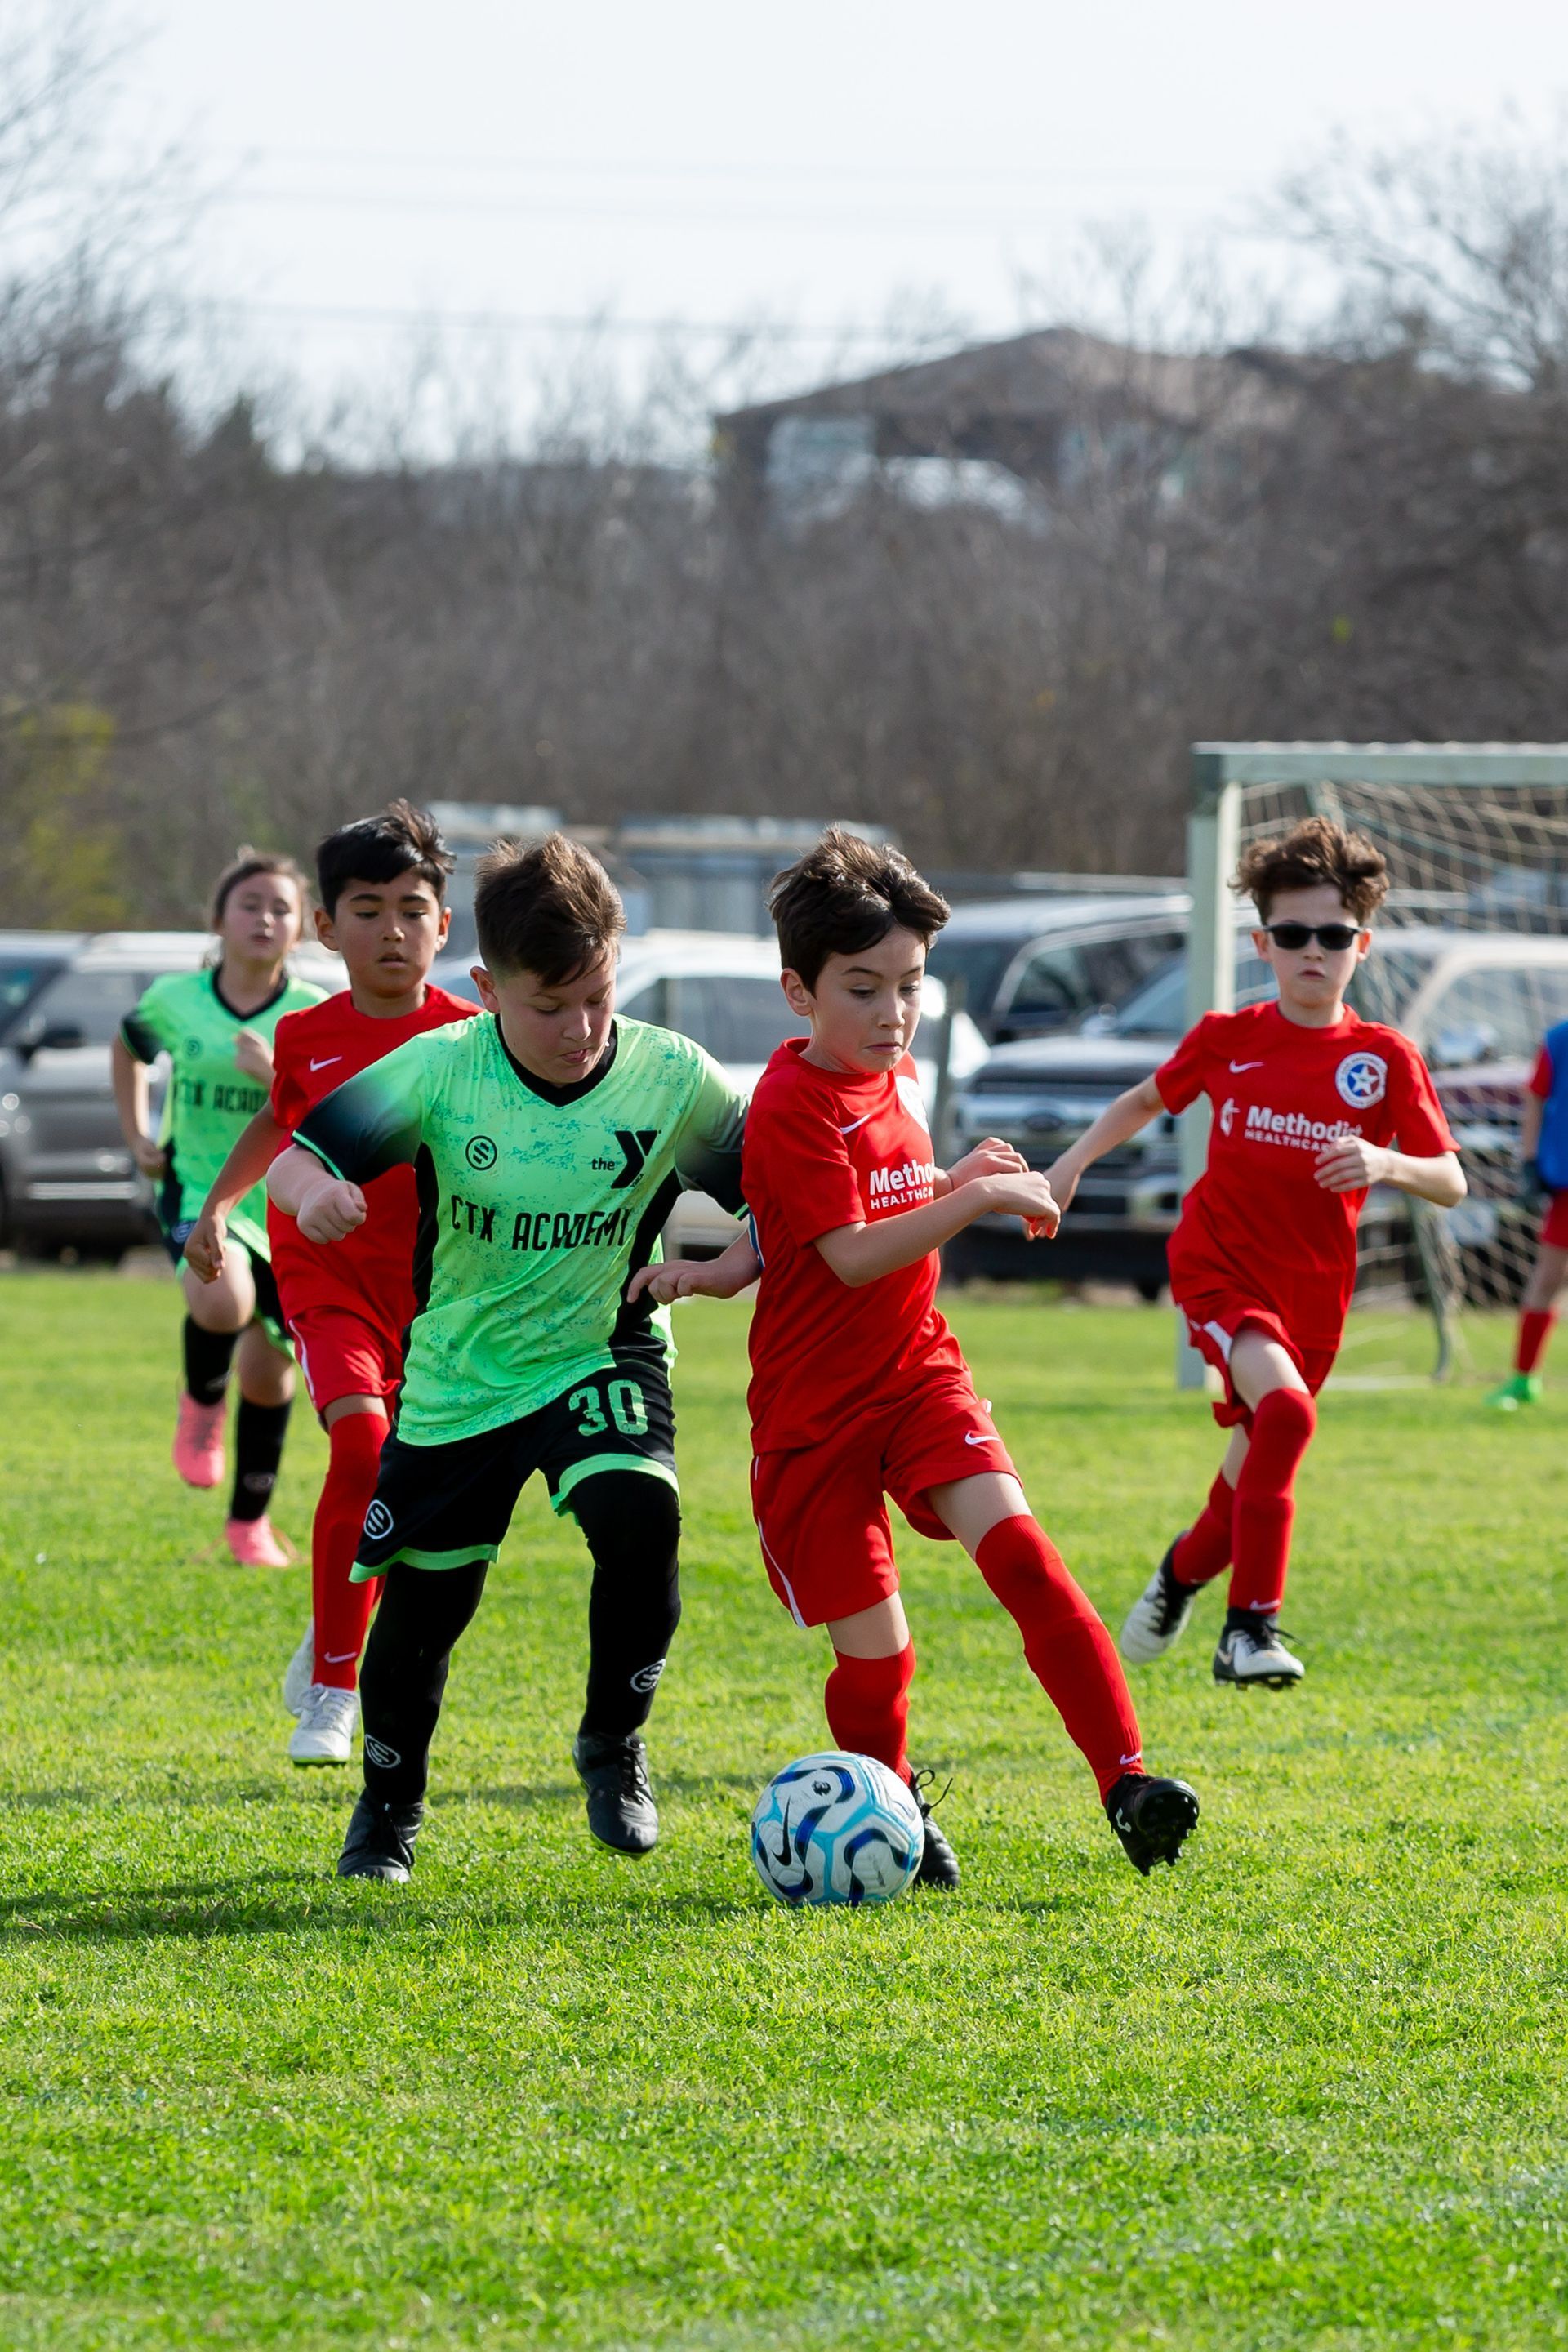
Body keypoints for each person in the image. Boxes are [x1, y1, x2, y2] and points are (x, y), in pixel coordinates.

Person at [635, 829, 1199, 1886]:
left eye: (910, 986)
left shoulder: (881, 1078)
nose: (893, 1014)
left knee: (1025, 1558)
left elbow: (859, 1206)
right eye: (864, 988)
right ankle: (887, 1806)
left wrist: (949, 1175)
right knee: (880, 1652)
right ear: (799, 993)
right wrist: (976, 1197)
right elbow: (846, 1253)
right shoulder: (792, 1106)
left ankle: (1128, 1782)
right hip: (812, 1423)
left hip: (918, 1379)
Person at [263, 833, 748, 1882]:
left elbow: (789, 1191)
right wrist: (323, 1199)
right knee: (425, 1614)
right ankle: (388, 1808)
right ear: (485, 987)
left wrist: (743, 1259)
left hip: (603, 1346)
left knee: (641, 1514)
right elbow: (294, 1168)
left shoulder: (672, 1078)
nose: (580, 1030)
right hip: (463, 1373)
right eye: (548, 1006)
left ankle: (613, 1743)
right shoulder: (442, 1068)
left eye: (598, 998)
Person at [1047, 817, 1465, 1689]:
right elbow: (1142, 1100)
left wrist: (1387, 1160)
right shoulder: (1228, 1038)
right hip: (1219, 1270)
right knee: (1288, 1415)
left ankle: (1180, 1576)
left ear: (1362, 944)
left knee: (1240, 1495)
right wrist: (1072, 1164)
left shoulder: (1385, 1061)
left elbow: (1451, 1181)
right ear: (1261, 943)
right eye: (1292, 934)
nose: (1313, 951)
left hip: (1314, 1297)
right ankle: (1251, 1628)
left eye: (1333, 935)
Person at [185, 803, 478, 1766]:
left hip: (437, 1300)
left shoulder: (477, 1040)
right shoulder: (308, 1037)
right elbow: (278, 1125)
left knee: (415, 1493)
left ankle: (333, 1614)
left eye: (411, 910)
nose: (391, 931)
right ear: (328, 927)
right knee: (362, 1441)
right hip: (329, 1284)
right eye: (366, 910)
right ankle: (333, 1688)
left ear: (443, 924)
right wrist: (220, 1209)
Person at [113, 851, 323, 1566]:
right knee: (221, 1302)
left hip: (288, 1210)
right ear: (218, 918)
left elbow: (334, 1114)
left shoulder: (315, 1012)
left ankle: (248, 1528)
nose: (265, 919)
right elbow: (129, 1046)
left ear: (303, 929)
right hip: (197, 1193)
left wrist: (274, 1077)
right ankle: (202, 1404)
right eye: (250, 904)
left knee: (270, 1375)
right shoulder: (175, 999)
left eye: (281, 908)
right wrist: (139, 1132)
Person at [1486, 1014, 1568, 1409]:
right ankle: (1522, 1379)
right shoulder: (1559, 1039)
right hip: (1565, 1184)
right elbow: (1535, 1097)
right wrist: (1531, 1160)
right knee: (1549, 1277)